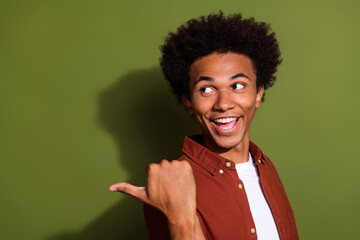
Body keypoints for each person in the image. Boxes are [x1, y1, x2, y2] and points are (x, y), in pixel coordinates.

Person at [109, 11, 299, 240]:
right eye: (206, 89)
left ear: (258, 94)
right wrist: (182, 216)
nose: (224, 104)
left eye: (237, 85)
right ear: (188, 102)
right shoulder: (167, 188)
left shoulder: (265, 166)